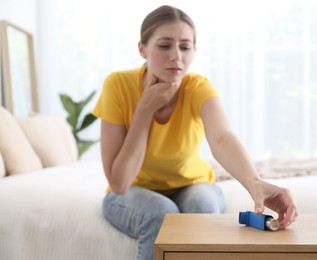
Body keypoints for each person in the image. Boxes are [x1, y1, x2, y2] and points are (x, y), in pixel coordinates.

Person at [92, 5, 298, 260]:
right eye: (165, 45)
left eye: (185, 47)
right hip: (131, 190)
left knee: (203, 207)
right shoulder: (118, 85)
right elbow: (119, 183)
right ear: (142, 49)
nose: (176, 56)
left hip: (191, 184)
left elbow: (222, 137)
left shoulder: (197, 87)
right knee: (161, 212)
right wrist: (145, 109)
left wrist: (255, 183)